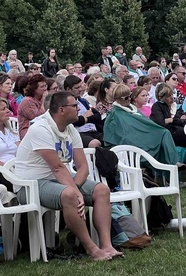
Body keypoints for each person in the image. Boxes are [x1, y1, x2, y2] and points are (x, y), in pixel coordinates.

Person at [14, 91, 123, 261]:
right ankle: (92, 249)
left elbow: (83, 167)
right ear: (62, 110)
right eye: (74, 105)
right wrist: (75, 191)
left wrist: (76, 187)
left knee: (101, 190)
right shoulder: (40, 128)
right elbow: (57, 167)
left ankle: (107, 245)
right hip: (30, 184)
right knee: (70, 194)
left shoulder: (70, 129)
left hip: (59, 181)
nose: (79, 108)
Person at [64, 75, 102, 148]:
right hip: (79, 133)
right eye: (77, 88)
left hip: (94, 131)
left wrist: (83, 119)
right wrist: (85, 117)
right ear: (68, 89)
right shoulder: (65, 104)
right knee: (94, 143)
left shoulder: (83, 101)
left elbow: (97, 116)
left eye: (80, 86)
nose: (80, 89)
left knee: (111, 140)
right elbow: (71, 121)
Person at [150, 83, 186, 148]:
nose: (172, 97)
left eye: (172, 95)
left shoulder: (171, 106)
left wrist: (171, 120)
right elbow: (161, 123)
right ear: (161, 97)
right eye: (168, 96)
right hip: (167, 133)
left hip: (174, 129)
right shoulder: (157, 106)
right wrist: (171, 120)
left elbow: (177, 120)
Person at [17, 74, 48, 139]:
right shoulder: (27, 101)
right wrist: (43, 101)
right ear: (34, 89)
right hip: (28, 133)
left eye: (45, 86)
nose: (45, 89)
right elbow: (38, 118)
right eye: (42, 87)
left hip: (42, 131)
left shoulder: (39, 99)